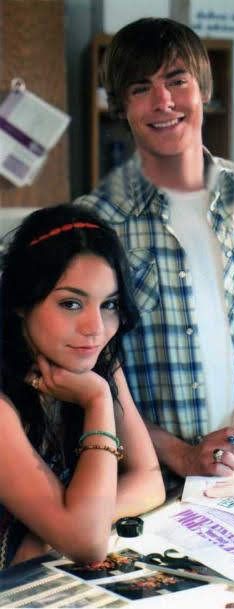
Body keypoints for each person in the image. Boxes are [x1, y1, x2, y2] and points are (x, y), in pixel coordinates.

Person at [75, 18, 234, 487]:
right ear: (121, 106)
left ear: (203, 89)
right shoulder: (96, 224)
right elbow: (84, 374)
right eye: (140, 88)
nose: (164, 101)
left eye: (177, 81)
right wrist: (182, 455)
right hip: (159, 489)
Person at [0, 203, 165, 570]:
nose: (95, 328)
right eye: (71, 303)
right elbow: (88, 542)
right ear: (22, 303)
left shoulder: (96, 360)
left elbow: (149, 480)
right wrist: (97, 401)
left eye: (109, 304)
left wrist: (48, 531)